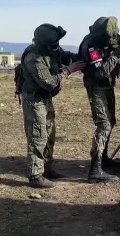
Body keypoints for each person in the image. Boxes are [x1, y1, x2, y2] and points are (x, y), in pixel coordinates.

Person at [78, 16, 120, 182]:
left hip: (107, 87)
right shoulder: (91, 45)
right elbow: (101, 72)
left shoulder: (106, 42)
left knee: (111, 122)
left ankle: (104, 159)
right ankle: (95, 169)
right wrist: (116, 53)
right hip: (96, 88)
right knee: (104, 125)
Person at [20, 23, 86, 188]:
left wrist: (84, 57)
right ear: (45, 44)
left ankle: (47, 169)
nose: (57, 48)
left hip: (45, 99)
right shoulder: (34, 57)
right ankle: (35, 176)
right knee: (38, 135)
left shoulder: (51, 50)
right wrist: (69, 71)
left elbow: (64, 56)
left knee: (49, 134)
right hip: (34, 100)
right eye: (54, 45)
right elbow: (49, 83)